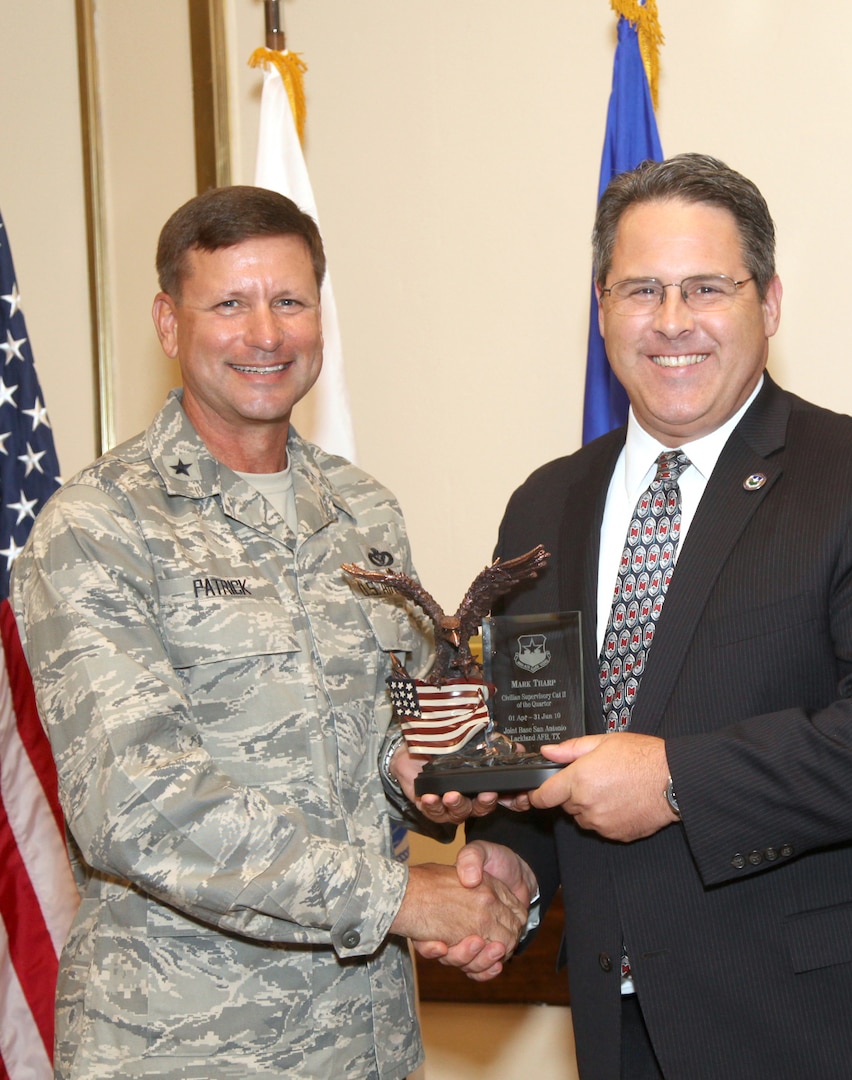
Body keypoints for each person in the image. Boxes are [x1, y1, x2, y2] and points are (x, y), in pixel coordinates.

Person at [397, 153, 852, 1079]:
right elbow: (550, 746)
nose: (670, 322)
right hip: (632, 1039)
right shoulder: (546, 508)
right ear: (601, 306)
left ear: (769, 303)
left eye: (706, 288)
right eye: (640, 290)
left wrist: (679, 778)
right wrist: (515, 864)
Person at [12, 186, 534, 1079]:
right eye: (230, 303)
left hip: (365, 1042)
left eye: (290, 301)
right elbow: (140, 809)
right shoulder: (99, 527)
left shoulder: (363, 512)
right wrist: (405, 899)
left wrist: (431, 777)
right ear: (169, 324)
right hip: (183, 1048)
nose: (266, 334)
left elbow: (391, 736)